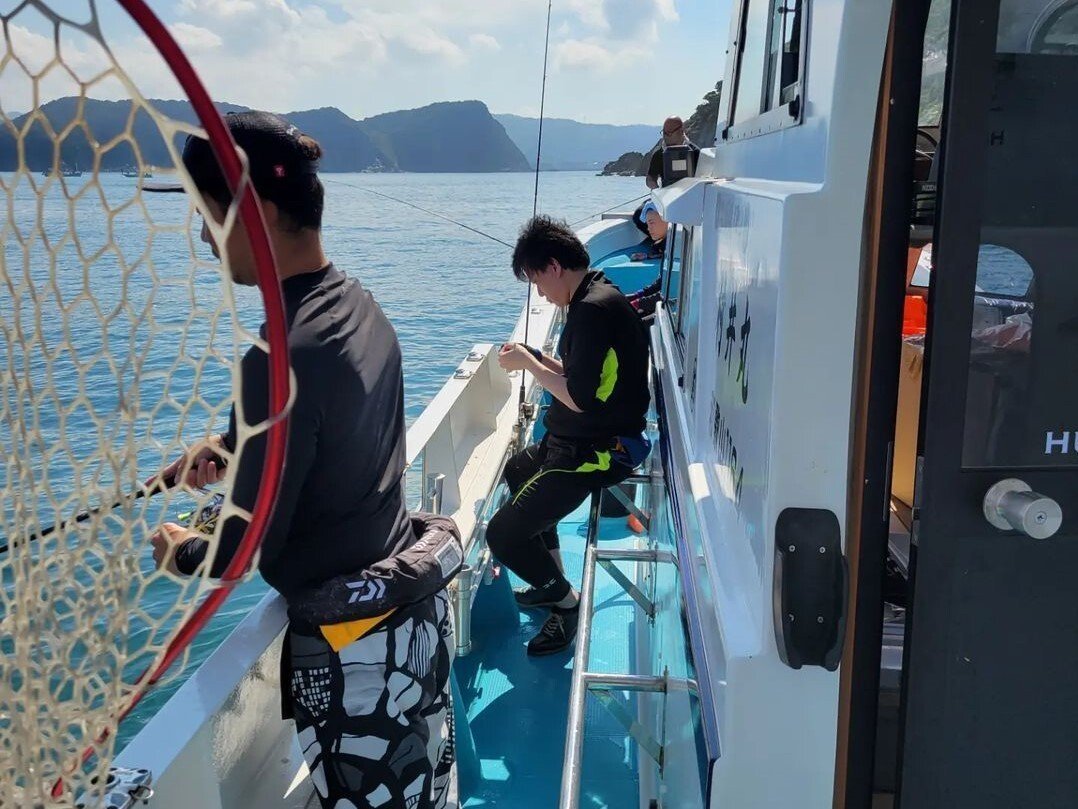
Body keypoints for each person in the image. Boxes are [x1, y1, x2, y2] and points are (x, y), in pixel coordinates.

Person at [149, 112, 457, 809]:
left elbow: (241, 549)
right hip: (412, 621)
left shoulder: (274, 361)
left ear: (255, 210)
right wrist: (229, 447)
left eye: (207, 214)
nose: (203, 236)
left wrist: (181, 548)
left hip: (356, 660)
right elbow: (326, 430)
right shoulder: (359, 306)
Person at [489, 216, 651, 656]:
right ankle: (554, 581)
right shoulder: (597, 296)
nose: (540, 294)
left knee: (502, 536)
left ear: (554, 266)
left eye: (537, 281)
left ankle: (566, 603)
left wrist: (529, 366)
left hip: (599, 452)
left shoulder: (591, 312)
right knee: (518, 469)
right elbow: (588, 379)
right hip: (581, 439)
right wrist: (538, 357)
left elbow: (580, 398)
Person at [645, 115, 700, 190]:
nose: (665, 137)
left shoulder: (695, 152)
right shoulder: (659, 154)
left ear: (681, 131)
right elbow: (650, 178)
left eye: (669, 133)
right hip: (667, 194)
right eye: (664, 133)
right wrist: (657, 189)